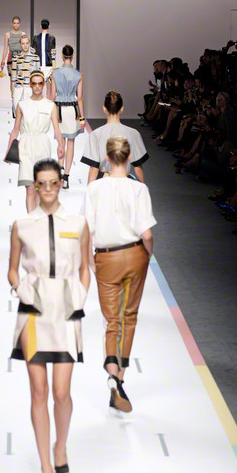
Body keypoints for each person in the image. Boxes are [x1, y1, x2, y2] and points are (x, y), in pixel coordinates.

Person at [8, 158, 90, 473]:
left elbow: (86, 266)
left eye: (53, 182)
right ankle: (45, 470)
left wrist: (81, 294)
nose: (47, 189)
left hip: (67, 308)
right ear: (36, 185)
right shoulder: (22, 225)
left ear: (61, 184)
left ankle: (61, 447)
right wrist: (21, 289)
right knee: (39, 391)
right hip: (33, 310)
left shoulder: (79, 223)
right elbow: (12, 268)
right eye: (41, 183)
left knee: (61, 392)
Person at [84, 136, 156, 412]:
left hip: (106, 256)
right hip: (135, 254)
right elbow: (147, 234)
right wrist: (147, 255)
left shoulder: (94, 189)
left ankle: (112, 373)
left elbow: (86, 230)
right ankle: (119, 378)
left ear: (107, 157)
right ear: (128, 158)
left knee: (111, 321)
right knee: (129, 317)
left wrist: (89, 260)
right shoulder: (139, 189)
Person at [5, 70, 64, 212]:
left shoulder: (50, 105)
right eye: (34, 83)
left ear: (43, 84)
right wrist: (8, 150)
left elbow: (57, 129)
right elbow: (16, 129)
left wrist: (61, 146)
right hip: (25, 146)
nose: (37, 86)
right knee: (30, 189)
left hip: (43, 146)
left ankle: (37, 217)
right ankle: (31, 220)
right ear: (30, 84)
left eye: (40, 83)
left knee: (39, 188)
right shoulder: (22, 104)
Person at [81, 90, 148, 183]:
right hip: (124, 182)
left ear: (104, 109)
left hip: (103, 181)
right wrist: (142, 188)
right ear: (122, 109)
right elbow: (138, 167)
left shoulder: (96, 134)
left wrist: (90, 190)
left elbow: (94, 169)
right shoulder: (133, 133)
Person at [51, 45, 85, 189]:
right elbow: (80, 98)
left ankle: (60, 170)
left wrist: (50, 114)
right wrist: (82, 118)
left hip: (59, 110)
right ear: (73, 56)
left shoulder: (55, 73)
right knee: (71, 143)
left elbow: (52, 96)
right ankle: (66, 177)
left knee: (61, 143)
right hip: (72, 110)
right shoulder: (78, 74)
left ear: (62, 56)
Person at [10, 35, 40, 118]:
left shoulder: (35, 58)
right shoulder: (15, 59)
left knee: (30, 117)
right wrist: (12, 94)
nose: (25, 45)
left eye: (27, 43)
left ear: (29, 43)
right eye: (23, 43)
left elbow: (38, 77)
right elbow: (13, 78)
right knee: (18, 117)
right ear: (20, 44)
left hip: (30, 90)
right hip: (18, 90)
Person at [31, 19, 56, 97]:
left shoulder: (35, 38)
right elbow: (53, 54)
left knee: (38, 86)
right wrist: (54, 68)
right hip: (49, 66)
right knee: (49, 87)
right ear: (49, 26)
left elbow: (32, 53)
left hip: (38, 65)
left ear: (40, 26)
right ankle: (47, 103)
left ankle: (39, 102)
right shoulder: (52, 38)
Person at [0, 16, 26, 87]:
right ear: (12, 24)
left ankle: (19, 94)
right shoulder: (7, 34)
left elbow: (25, 48)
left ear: (20, 24)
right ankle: (13, 94)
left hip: (21, 57)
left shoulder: (23, 34)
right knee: (12, 79)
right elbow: (5, 48)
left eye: (17, 23)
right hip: (11, 57)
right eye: (14, 23)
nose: (16, 25)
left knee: (20, 79)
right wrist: (2, 62)